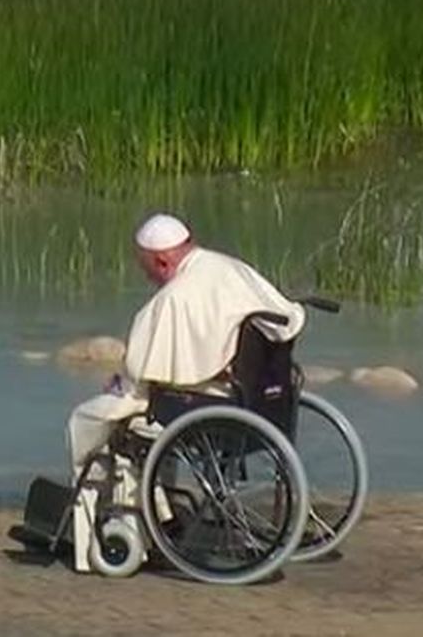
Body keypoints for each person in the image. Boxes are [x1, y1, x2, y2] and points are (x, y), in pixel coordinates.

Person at [64, 213, 305, 571]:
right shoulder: (230, 268)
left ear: (161, 261)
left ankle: (107, 522)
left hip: (206, 401)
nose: (149, 278)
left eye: (148, 270)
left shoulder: (173, 298)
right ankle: (159, 509)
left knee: (90, 419)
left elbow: (142, 374)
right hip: (258, 397)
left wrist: (121, 384)